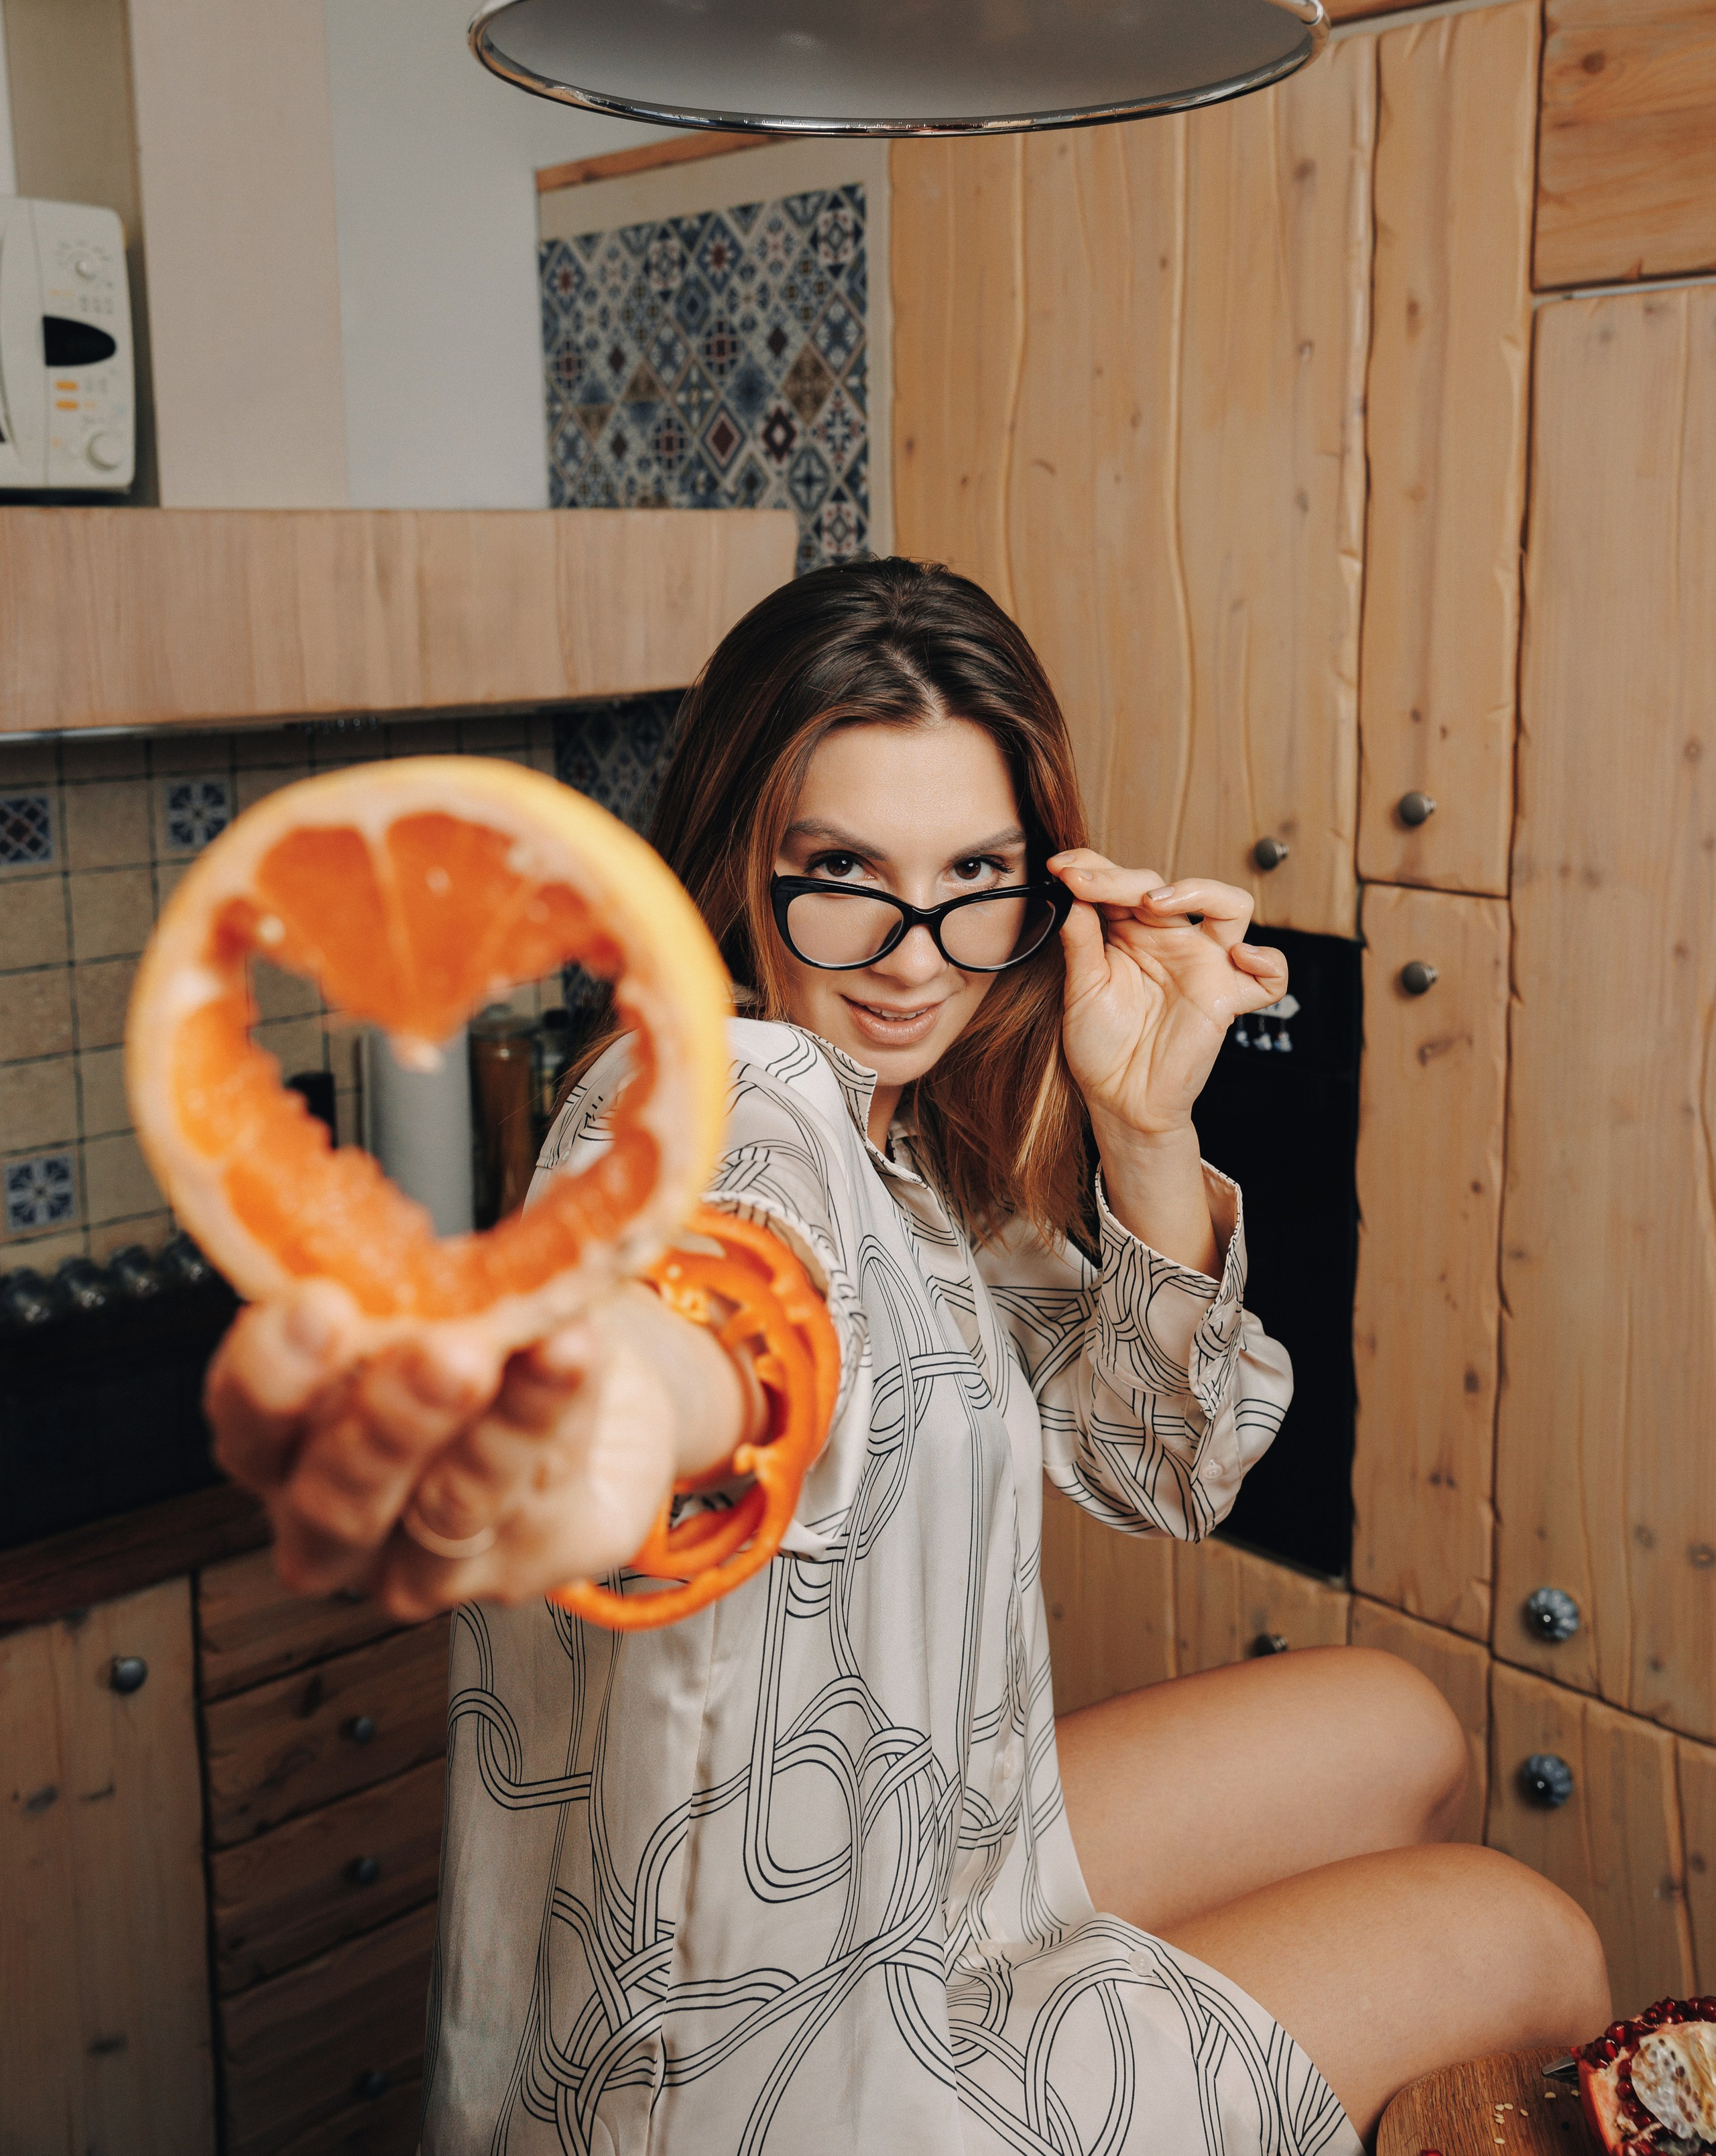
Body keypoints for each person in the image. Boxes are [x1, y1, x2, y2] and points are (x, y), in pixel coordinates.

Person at [206, 559, 1608, 2155]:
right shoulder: (728, 1101)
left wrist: (1143, 1123)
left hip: (915, 1862)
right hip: (771, 2067)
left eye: (974, 876)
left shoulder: (905, 1142)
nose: (911, 951)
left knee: (1397, 1727)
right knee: (1530, 1942)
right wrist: (590, 1411)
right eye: (841, 871)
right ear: (738, 860)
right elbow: (712, 1322)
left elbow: (1171, 1466)